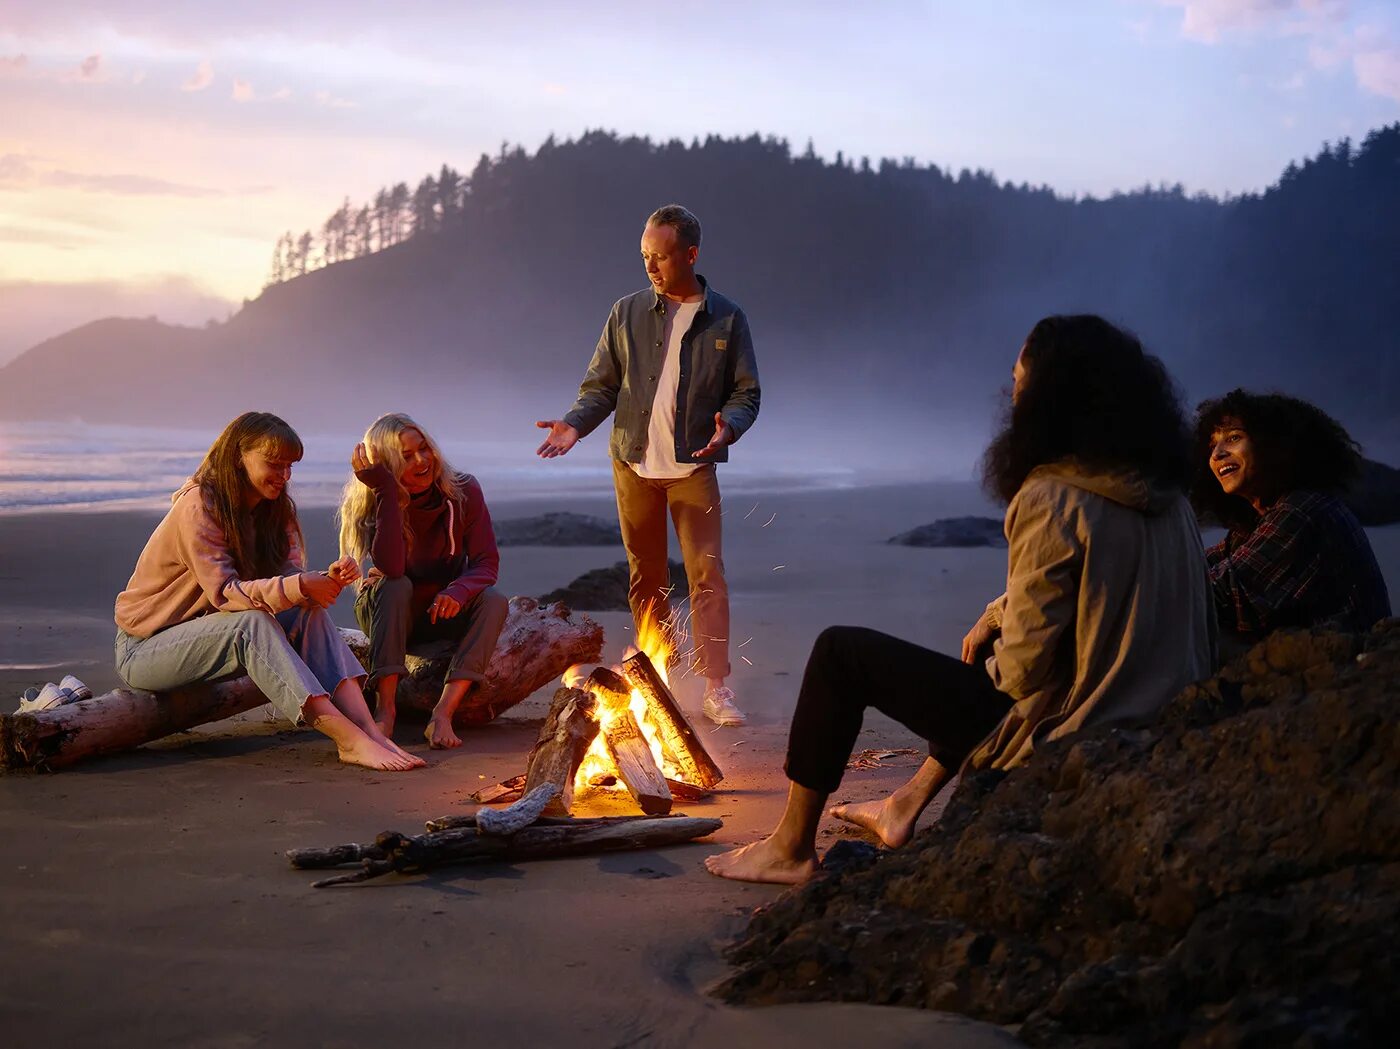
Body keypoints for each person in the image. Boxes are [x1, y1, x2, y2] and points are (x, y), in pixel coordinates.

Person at [706, 315, 1216, 884]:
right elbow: (1113, 600)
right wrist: (1000, 613)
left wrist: (1000, 641)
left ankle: (790, 847)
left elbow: (1023, 672)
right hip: (1167, 722)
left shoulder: (1053, 497)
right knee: (972, 669)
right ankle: (902, 806)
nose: (1012, 394)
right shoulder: (1172, 496)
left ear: (1053, 398)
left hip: (1079, 733)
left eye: (1020, 382)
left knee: (841, 653)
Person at [535, 203, 760, 727]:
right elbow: (601, 386)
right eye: (644, 257)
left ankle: (716, 688)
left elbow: (747, 392)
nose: (651, 268)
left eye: (659, 257)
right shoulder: (626, 311)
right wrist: (574, 424)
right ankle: (654, 679)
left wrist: (730, 423)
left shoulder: (726, 317)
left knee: (707, 574)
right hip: (632, 462)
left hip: (693, 467)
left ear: (690, 254)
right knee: (646, 577)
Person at [114, 412, 424, 772]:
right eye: (274, 464)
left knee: (308, 612)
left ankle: (369, 729)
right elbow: (225, 593)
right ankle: (347, 739)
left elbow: (288, 580)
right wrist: (300, 585)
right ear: (237, 458)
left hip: (212, 638)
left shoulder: (276, 510)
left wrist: (325, 578)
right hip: (147, 647)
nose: (284, 476)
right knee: (251, 623)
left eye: (290, 466)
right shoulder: (199, 506)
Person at [339, 412, 508, 749]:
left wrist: (458, 592)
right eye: (405, 456)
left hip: (441, 611)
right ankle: (385, 710)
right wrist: (387, 491)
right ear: (385, 466)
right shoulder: (377, 499)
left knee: (495, 600)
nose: (422, 460)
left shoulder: (464, 491)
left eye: (424, 448)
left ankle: (443, 714)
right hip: (389, 609)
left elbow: (487, 563)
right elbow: (392, 567)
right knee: (395, 584)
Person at [1192, 389, 1390, 647]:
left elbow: (1217, 596)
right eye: (1212, 445)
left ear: (1273, 445)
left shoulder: (1301, 512)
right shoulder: (1256, 522)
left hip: (1343, 670)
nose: (1217, 454)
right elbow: (1199, 566)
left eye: (1233, 437)